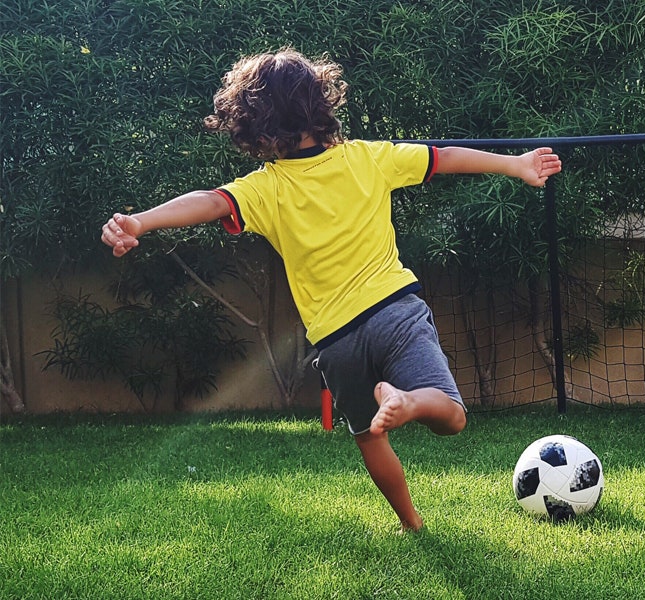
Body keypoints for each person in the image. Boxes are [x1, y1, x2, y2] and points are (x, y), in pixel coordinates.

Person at [99, 48, 562, 532]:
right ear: (322, 102)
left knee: (367, 437)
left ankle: (411, 523)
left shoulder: (267, 188)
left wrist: (140, 221)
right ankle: (412, 402)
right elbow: (444, 157)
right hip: (395, 311)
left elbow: (211, 203)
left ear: (256, 127)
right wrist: (516, 164)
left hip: (337, 340)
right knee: (450, 416)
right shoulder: (369, 158)